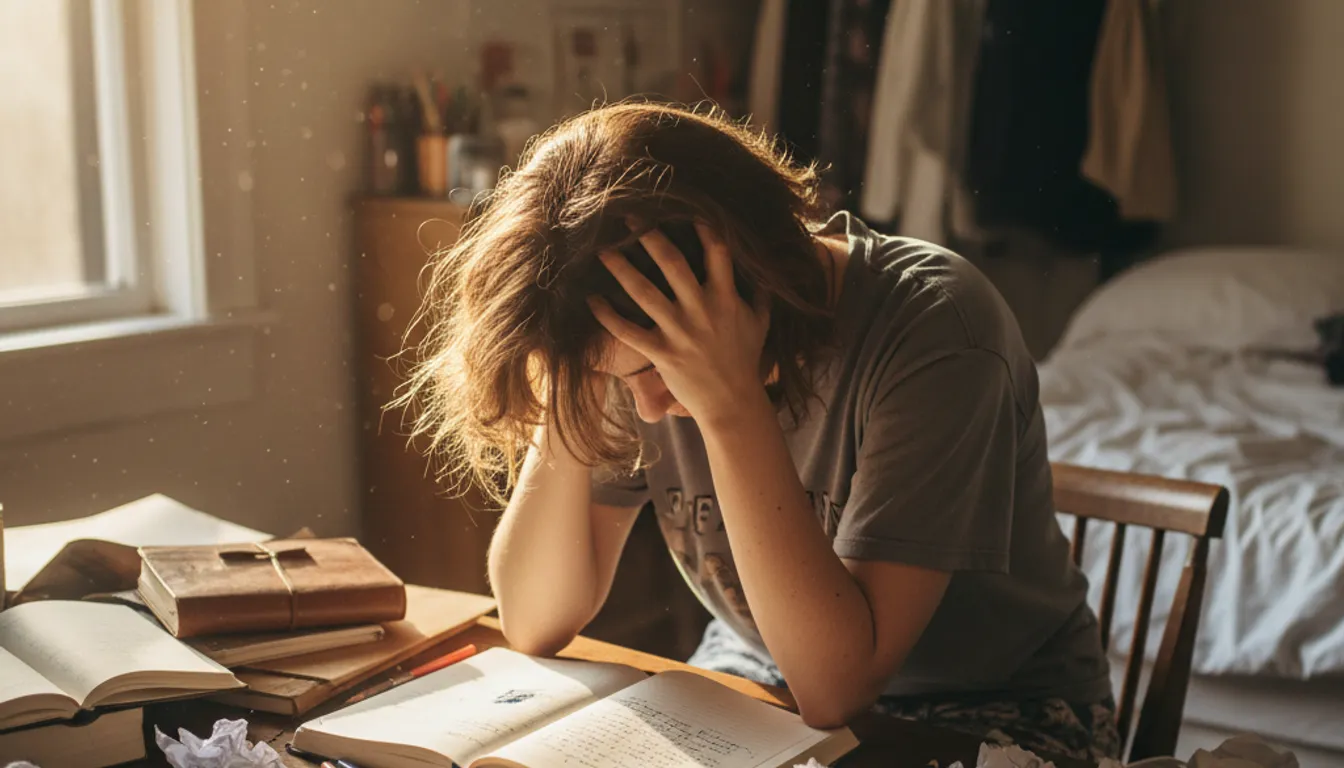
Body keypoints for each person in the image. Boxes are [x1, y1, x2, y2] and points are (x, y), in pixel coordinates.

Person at [398, 103, 1119, 760]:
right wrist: (570, 376)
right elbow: (533, 617)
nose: (646, 407)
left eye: (652, 371)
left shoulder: (939, 332)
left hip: (995, 717)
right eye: (619, 378)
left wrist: (730, 405)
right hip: (757, 684)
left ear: (742, 280)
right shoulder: (633, 341)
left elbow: (837, 689)